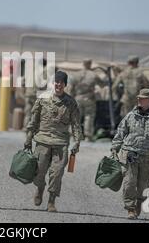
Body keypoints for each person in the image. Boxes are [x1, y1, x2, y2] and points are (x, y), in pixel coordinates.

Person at [24, 70, 84, 212]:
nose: (58, 85)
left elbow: (76, 124)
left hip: (61, 143)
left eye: (61, 83)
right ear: (53, 83)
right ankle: (40, 188)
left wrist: (77, 142)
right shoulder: (42, 98)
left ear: (65, 85)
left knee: (56, 174)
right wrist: (28, 138)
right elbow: (34, 120)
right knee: (39, 172)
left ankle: (51, 201)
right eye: (56, 82)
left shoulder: (71, 103)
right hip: (43, 141)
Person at [110, 88, 149, 219]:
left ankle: (139, 202)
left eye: (142, 98)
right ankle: (130, 208)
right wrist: (115, 148)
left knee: (144, 184)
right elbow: (120, 132)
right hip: (130, 154)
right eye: (139, 98)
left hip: (148, 158)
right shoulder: (130, 116)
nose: (139, 100)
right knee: (129, 182)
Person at [70, 58, 105, 140]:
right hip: (89, 98)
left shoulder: (76, 74)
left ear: (83, 64)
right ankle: (88, 136)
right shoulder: (93, 75)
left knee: (76, 117)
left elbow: (71, 88)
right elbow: (102, 85)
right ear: (90, 64)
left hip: (77, 98)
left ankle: (74, 135)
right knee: (89, 116)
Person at [23, 58, 48, 129]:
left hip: (28, 94)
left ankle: (26, 128)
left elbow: (23, 81)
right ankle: (34, 129)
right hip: (37, 95)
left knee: (28, 113)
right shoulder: (44, 72)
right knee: (36, 114)